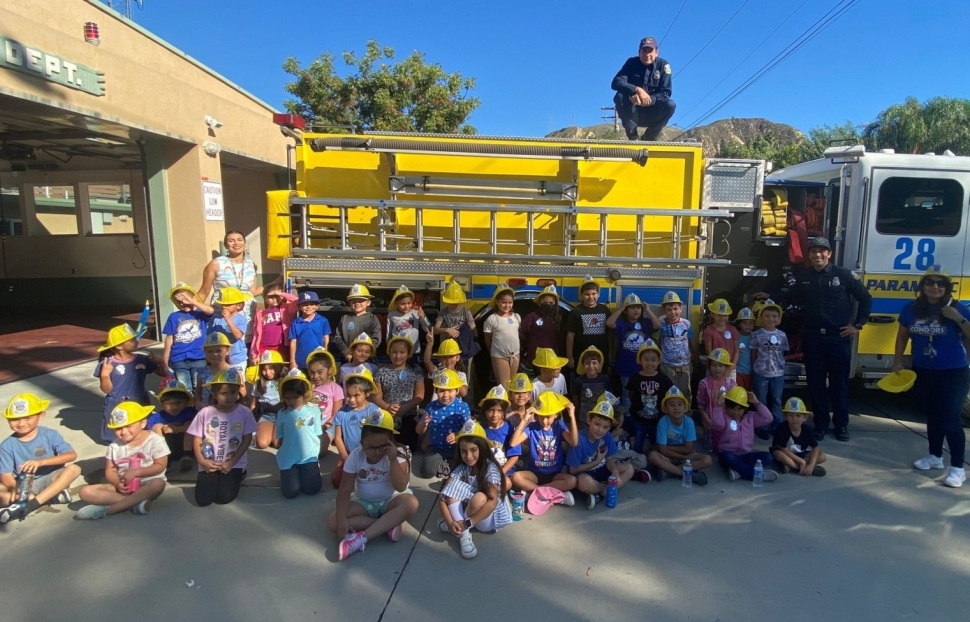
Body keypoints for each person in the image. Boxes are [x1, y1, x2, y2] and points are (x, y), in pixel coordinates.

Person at [787, 237, 871, 441]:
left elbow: (865, 298)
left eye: (822, 251)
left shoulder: (843, 275)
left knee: (838, 384)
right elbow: (790, 295)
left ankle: (841, 425)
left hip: (838, 338)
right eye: (814, 251)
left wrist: (857, 325)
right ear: (809, 254)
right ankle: (821, 424)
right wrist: (768, 294)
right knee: (815, 384)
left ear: (829, 254)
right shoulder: (805, 277)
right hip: (813, 338)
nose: (818, 255)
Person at [893, 265, 970, 488]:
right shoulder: (911, 309)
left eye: (940, 283)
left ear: (947, 288)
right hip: (923, 371)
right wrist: (897, 361)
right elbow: (902, 337)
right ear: (922, 286)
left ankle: (957, 468)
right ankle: (935, 457)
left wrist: (958, 318)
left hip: (953, 372)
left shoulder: (957, 308)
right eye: (929, 282)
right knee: (933, 416)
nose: (934, 287)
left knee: (950, 418)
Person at [327, 410, 419, 561]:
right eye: (371, 447)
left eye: (382, 446)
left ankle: (362, 538)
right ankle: (387, 525)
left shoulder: (398, 454)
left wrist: (393, 459)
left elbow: (401, 487)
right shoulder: (355, 456)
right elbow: (344, 490)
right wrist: (342, 519)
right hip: (364, 503)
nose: (376, 452)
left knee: (411, 503)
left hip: (391, 500)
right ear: (362, 443)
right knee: (333, 521)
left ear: (390, 441)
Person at [76, 401, 169, 519]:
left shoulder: (155, 440)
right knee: (85, 492)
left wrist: (137, 472)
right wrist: (117, 483)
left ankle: (110, 510)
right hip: (124, 485)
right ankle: (134, 503)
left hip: (147, 483)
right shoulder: (115, 446)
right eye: (118, 428)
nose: (124, 432)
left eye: (129, 426)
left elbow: (160, 465)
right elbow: (110, 470)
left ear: (143, 423)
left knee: (158, 483)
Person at [437, 420, 512, 559]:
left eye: (473, 450)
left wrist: (467, 523)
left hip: (488, 520)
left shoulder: (491, 469)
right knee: (451, 486)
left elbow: (492, 502)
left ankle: (462, 531)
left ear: (482, 449)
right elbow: (442, 496)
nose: (468, 456)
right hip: (472, 513)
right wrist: (449, 521)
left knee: (480, 497)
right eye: (464, 451)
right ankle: (460, 531)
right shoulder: (462, 467)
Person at [0, 393, 79, 523]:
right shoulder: (6, 445)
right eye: (15, 419)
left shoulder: (50, 435)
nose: (21, 423)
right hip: (23, 484)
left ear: (41, 415)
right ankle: (50, 497)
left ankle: (32, 503)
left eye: (27, 418)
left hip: (51, 479)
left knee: (74, 469)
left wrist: (41, 462)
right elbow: (6, 477)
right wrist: (17, 490)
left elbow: (71, 455)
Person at [187, 368, 257, 507]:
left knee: (223, 498)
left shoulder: (245, 412)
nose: (229, 397)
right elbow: (197, 438)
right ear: (214, 394)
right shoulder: (205, 413)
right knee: (203, 500)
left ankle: (238, 474)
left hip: (233, 463)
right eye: (224, 393)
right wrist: (202, 461)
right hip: (209, 462)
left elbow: (247, 439)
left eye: (233, 392)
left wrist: (232, 462)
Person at [95, 323, 162, 443]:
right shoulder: (107, 364)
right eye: (132, 340)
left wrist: (161, 362)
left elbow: (162, 373)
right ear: (119, 346)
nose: (136, 341)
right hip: (116, 403)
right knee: (117, 436)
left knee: (142, 434)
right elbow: (107, 390)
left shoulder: (142, 360)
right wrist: (105, 375)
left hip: (139, 401)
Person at [509, 391, 579, 498]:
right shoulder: (532, 427)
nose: (545, 421)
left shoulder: (559, 425)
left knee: (572, 481)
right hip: (535, 473)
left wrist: (572, 416)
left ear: (556, 415)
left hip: (555, 474)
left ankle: (535, 492)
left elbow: (574, 442)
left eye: (548, 417)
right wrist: (525, 419)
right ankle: (553, 495)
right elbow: (513, 443)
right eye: (541, 416)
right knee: (515, 477)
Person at [567, 400, 635, 509]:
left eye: (605, 427)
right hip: (585, 473)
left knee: (629, 468)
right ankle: (608, 489)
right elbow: (573, 470)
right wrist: (597, 462)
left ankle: (601, 494)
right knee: (584, 483)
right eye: (597, 424)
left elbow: (609, 459)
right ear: (589, 420)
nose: (600, 430)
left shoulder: (607, 436)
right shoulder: (579, 440)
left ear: (609, 427)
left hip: (602, 469)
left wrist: (615, 472)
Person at [198, 230, 267, 334]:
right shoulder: (216, 263)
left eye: (239, 240)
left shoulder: (251, 264)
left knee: (244, 348)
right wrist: (190, 311)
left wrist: (275, 284)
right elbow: (204, 292)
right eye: (231, 240)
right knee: (223, 346)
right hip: (223, 316)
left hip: (247, 317)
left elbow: (253, 291)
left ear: (245, 243)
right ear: (226, 245)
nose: (236, 243)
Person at [610, 36, 675, 141]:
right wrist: (637, 90)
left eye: (650, 51)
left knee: (670, 105)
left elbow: (665, 93)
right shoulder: (631, 63)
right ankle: (633, 136)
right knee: (619, 96)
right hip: (632, 112)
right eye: (644, 51)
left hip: (652, 114)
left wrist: (648, 100)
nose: (647, 55)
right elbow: (616, 82)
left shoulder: (663, 66)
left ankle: (648, 139)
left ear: (656, 52)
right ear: (639, 52)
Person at [647, 387, 712, 485]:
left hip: (685, 456)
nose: (676, 408)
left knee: (707, 460)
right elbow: (663, 451)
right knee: (652, 456)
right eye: (671, 405)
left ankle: (669, 472)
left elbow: (687, 448)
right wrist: (682, 456)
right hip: (669, 457)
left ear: (684, 407)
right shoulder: (663, 422)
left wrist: (666, 448)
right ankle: (687, 474)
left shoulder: (689, 422)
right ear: (666, 407)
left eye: (680, 404)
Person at [274, 370, 324, 499]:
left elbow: (317, 433)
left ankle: (309, 472)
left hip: (309, 456)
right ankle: (289, 476)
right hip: (289, 458)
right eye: (287, 398)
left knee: (313, 489)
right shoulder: (282, 413)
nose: (291, 401)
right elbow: (280, 437)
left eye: (295, 397)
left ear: (305, 395)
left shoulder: (314, 409)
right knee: (290, 493)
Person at [712, 387, 778, 482]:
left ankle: (738, 472)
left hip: (746, 455)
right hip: (728, 454)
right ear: (726, 407)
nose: (735, 412)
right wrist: (718, 406)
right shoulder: (725, 417)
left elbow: (768, 418)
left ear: (745, 408)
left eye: (739, 409)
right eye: (731, 408)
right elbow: (717, 423)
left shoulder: (751, 417)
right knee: (728, 457)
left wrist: (757, 403)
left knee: (768, 457)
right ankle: (756, 475)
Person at [607, 293, 660, 412]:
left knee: (645, 392)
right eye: (631, 307)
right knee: (626, 394)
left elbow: (657, 325)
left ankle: (643, 413)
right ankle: (628, 417)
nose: (636, 310)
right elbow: (609, 323)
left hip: (644, 367)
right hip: (626, 366)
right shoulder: (621, 323)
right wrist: (620, 309)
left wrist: (648, 310)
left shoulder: (645, 323)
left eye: (638, 307)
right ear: (626, 310)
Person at [416, 369, 472, 478]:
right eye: (441, 391)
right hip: (435, 447)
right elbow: (419, 431)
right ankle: (446, 467)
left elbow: (469, 430)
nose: (445, 395)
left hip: (457, 447)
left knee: (467, 466)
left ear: (457, 391)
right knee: (426, 472)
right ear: (436, 391)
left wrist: (457, 435)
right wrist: (424, 424)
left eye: (450, 391)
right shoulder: (431, 407)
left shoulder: (462, 407)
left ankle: (446, 467)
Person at [331, 366, 382, 487]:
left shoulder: (374, 411)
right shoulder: (342, 412)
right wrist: (345, 457)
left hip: (370, 455)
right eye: (348, 395)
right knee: (337, 481)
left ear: (367, 393)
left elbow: (379, 436)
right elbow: (338, 437)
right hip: (350, 455)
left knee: (369, 481)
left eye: (356, 395)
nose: (351, 399)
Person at [373, 336, 425, 450]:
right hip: (387, 415)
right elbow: (377, 398)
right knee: (383, 446)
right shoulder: (381, 372)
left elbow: (419, 396)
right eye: (394, 352)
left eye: (402, 352)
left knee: (408, 447)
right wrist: (388, 407)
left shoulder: (416, 370)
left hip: (408, 414)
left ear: (409, 353)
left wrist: (405, 407)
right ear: (389, 353)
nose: (398, 356)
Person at [161, 282, 214, 391]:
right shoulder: (173, 316)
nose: (182, 304)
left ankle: (198, 408)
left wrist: (192, 301)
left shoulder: (200, 314)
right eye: (179, 302)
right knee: (184, 389)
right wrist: (165, 361)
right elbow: (169, 338)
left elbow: (210, 310)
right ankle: (189, 407)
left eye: (185, 301)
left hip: (199, 357)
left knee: (199, 387)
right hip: (178, 358)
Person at [625, 339, 673, 454]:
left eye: (653, 360)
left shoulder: (663, 378)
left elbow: (669, 396)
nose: (650, 363)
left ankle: (657, 465)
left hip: (658, 421)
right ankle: (637, 467)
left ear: (658, 361)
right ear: (640, 360)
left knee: (657, 447)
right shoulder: (634, 378)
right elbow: (631, 395)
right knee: (637, 448)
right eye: (646, 359)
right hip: (638, 420)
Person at [749, 300, 788, 437]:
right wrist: (756, 368)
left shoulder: (782, 335)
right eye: (767, 316)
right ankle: (762, 426)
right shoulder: (756, 334)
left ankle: (777, 425)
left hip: (778, 373)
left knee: (777, 400)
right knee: (761, 400)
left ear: (778, 319)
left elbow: (782, 353)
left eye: (774, 316)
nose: (770, 319)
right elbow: (753, 354)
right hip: (761, 372)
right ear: (761, 318)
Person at [146, 380, 197, 472]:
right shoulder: (157, 417)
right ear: (162, 404)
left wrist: (176, 429)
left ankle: (187, 456)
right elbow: (149, 434)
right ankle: (164, 458)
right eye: (168, 404)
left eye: (178, 403)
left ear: (186, 402)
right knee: (157, 426)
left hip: (187, 447)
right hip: (168, 448)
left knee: (190, 423)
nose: (174, 407)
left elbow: (200, 428)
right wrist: (163, 428)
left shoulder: (191, 412)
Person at [771, 397, 826, 477]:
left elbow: (815, 447)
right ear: (785, 416)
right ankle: (804, 469)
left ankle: (794, 466)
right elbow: (783, 448)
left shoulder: (807, 429)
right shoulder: (781, 428)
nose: (794, 419)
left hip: (800, 454)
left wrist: (811, 464)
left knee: (822, 456)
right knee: (778, 454)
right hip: (785, 453)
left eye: (798, 415)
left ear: (805, 417)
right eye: (790, 415)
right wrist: (801, 462)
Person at [479, 385, 521, 491]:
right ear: (485, 411)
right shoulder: (480, 428)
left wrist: (501, 472)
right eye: (491, 410)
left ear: (504, 412)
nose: (494, 414)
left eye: (499, 411)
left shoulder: (510, 429)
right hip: (485, 470)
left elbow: (514, 456)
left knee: (506, 484)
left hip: (505, 472)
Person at [566, 277, 610, 373]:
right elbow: (570, 335)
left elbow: (611, 333)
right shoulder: (576, 312)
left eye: (593, 294)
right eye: (587, 294)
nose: (590, 297)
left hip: (601, 356)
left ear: (598, 294)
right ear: (581, 295)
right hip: (581, 356)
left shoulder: (605, 310)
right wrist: (570, 356)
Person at [696, 347, 737, 451]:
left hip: (726, 420)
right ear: (709, 366)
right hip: (709, 419)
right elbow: (701, 404)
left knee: (725, 447)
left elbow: (735, 405)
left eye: (720, 365)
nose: (717, 368)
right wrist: (706, 419)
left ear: (726, 367)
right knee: (711, 447)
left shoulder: (731, 384)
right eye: (714, 365)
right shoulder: (704, 383)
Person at [657, 291, 696, 399]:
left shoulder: (686, 324)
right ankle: (668, 414)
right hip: (667, 365)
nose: (672, 312)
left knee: (685, 392)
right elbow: (658, 341)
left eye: (675, 309)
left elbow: (691, 340)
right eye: (669, 310)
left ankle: (686, 414)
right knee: (669, 392)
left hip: (685, 365)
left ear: (681, 309)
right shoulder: (660, 323)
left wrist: (695, 356)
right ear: (664, 310)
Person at [434, 281, 479, 370]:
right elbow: (435, 329)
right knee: (449, 368)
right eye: (451, 302)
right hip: (449, 347)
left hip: (464, 346)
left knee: (465, 369)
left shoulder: (465, 311)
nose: (454, 304)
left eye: (456, 302)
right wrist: (447, 330)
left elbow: (473, 327)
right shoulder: (444, 312)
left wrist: (475, 339)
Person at [484, 283, 522, 389]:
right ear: (497, 302)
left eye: (510, 302)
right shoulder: (492, 319)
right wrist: (495, 353)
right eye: (503, 302)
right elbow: (488, 339)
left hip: (515, 355)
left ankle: (512, 405)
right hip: (500, 356)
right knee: (504, 387)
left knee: (513, 386)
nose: (507, 305)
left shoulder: (516, 317)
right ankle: (505, 405)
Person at [333, 284, 383, 363]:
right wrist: (346, 352)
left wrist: (365, 354)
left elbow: (376, 339)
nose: (357, 303)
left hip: (367, 360)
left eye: (361, 300)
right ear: (350, 303)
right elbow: (337, 338)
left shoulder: (373, 319)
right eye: (354, 301)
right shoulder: (345, 318)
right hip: (348, 360)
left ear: (368, 302)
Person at [306, 347, 342, 455]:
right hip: (309, 422)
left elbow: (336, 414)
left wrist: (327, 425)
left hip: (327, 425)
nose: (315, 376)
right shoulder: (308, 387)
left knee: (318, 451)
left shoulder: (335, 388)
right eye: (312, 373)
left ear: (330, 370)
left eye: (320, 372)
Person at [519, 285, 565, 369]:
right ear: (540, 302)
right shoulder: (532, 317)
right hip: (536, 357)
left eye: (551, 303)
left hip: (553, 357)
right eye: (545, 303)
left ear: (555, 304)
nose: (548, 305)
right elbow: (522, 334)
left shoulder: (558, 318)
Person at [208, 286, 249, 375]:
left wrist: (228, 320)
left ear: (239, 306)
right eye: (223, 304)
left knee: (238, 384)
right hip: (221, 360)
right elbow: (212, 337)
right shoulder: (217, 319)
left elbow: (238, 335)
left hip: (237, 358)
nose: (224, 307)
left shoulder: (241, 319)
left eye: (228, 304)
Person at [251, 283, 297, 361]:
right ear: (265, 298)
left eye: (276, 296)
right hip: (264, 347)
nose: (274, 299)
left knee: (282, 370)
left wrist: (281, 293)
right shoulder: (260, 313)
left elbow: (297, 301)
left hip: (282, 347)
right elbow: (256, 335)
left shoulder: (286, 309)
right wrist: (255, 354)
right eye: (270, 297)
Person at [288, 291, 331, 372]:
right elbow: (293, 342)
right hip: (301, 362)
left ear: (317, 306)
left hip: (318, 360)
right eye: (305, 304)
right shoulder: (295, 323)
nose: (308, 307)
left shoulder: (323, 321)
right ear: (299, 307)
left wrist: (326, 355)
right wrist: (292, 361)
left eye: (311, 304)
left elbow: (326, 339)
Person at [386, 285, 430, 360]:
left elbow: (427, 329)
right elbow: (388, 334)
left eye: (409, 303)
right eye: (402, 304)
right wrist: (389, 349)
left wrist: (423, 317)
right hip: (398, 352)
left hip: (414, 351)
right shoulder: (391, 315)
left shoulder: (416, 313)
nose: (406, 306)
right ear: (396, 303)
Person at [423, 335, 469, 400]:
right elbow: (427, 361)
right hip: (438, 408)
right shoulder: (437, 372)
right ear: (439, 359)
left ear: (457, 358)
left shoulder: (461, 375)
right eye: (444, 357)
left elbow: (463, 393)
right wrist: (430, 343)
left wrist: (452, 374)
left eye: (451, 356)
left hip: (454, 409)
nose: (448, 360)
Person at [195, 332, 234, 408]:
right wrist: (199, 405)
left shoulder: (234, 371)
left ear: (227, 351)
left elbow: (242, 393)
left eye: (218, 351)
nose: (214, 354)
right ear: (205, 352)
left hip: (229, 412)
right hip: (206, 413)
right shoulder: (202, 372)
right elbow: (198, 393)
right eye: (210, 351)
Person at [572, 346, 609, 426]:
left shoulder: (605, 379)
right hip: (584, 418)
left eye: (594, 363)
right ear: (583, 364)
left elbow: (610, 397)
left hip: (601, 417)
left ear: (599, 364)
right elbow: (576, 398)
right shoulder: (579, 380)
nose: (591, 366)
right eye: (587, 363)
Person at [702, 299, 739, 376]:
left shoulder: (733, 330)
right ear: (712, 314)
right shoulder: (708, 331)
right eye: (719, 315)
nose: (722, 318)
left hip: (730, 368)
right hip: (714, 368)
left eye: (725, 315)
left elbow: (736, 350)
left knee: (731, 388)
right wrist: (716, 368)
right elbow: (709, 353)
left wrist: (731, 367)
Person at [250, 350, 285, 423]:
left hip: (281, 412)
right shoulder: (258, 383)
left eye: (271, 368)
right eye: (264, 370)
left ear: (278, 367)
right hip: (264, 413)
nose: (267, 373)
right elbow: (253, 403)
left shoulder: (283, 382)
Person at [735, 308, 756, 390]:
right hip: (738, 371)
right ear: (739, 324)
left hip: (750, 372)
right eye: (745, 323)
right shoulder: (735, 336)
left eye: (751, 323)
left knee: (747, 394)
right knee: (738, 393)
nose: (748, 325)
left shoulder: (755, 336)